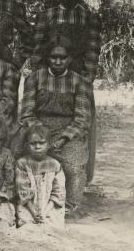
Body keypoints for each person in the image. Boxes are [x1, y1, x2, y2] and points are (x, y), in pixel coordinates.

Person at [30, 0, 101, 183]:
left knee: (79, 122)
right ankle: (44, 172)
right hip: (51, 74)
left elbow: (92, 48)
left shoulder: (89, 17)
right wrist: (40, 74)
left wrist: (87, 78)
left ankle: (78, 177)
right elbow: (38, 47)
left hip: (77, 75)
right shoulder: (47, 15)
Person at [21, 37, 91, 216]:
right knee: (21, 157)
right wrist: (41, 135)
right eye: (53, 57)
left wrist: (63, 139)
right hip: (38, 129)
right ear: (47, 57)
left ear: (70, 59)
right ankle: (29, 201)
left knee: (73, 165)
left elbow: (82, 118)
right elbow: (27, 113)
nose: (58, 61)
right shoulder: (35, 78)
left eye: (63, 57)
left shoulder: (80, 81)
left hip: (68, 132)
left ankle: (68, 206)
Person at [16, 125, 66, 228]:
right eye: (33, 143)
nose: (37, 146)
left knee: (52, 226)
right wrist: (34, 213)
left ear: (48, 144)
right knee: (27, 225)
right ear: (26, 145)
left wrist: (45, 212)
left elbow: (59, 190)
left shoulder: (55, 164)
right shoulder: (22, 163)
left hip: (50, 206)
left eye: (41, 143)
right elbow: (23, 190)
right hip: (29, 206)